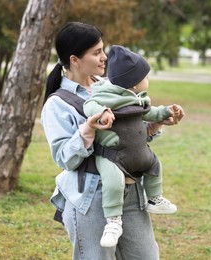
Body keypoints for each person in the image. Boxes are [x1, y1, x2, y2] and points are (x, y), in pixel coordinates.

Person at [41, 22, 184, 260]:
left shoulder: (111, 86)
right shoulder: (57, 104)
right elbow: (65, 158)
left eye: (102, 50)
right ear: (74, 60)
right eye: (96, 52)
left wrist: (158, 123)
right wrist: (87, 128)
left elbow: (127, 138)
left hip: (132, 193)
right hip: (91, 198)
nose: (104, 57)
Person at [83, 45, 182, 248]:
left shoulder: (138, 99)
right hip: (113, 155)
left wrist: (167, 111)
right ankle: (113, 222)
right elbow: (89, 105)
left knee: (154, 165)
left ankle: (154, 198)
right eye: (146, 76)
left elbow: (152, 113)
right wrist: (102, 113)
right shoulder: (106, 96)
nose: (148, 80)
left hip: (139, 152)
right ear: (134, 83)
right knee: (113, 182)